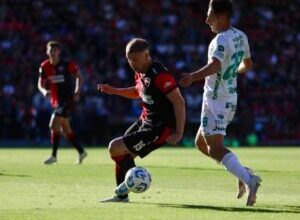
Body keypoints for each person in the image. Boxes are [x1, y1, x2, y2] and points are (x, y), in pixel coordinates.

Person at [179, 0, 261, 206]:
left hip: (216, 100)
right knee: (200, 143)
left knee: (215, 148)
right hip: (229, 98)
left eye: (210, 15)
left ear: (222, 16)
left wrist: (192, 77)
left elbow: (215, 65)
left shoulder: (220, 40)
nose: (207, 20)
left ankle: (250, 179)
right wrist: (230, 72)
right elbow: (248, 65)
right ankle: (242, 172)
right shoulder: (241, 36)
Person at [98, 38, 185, 202]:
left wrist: (179, 132)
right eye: (129, 59)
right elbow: (139, 91)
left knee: (115, 148)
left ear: (147, 55)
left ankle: (135, 182)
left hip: (158, 128)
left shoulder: (160, 75)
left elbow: (179, 101)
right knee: (121, 152)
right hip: (144, 121)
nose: (132, 63)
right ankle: (122, 195)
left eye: (135, 59)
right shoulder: (140, 71)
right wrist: (115, 91)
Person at [37, 41, 87, 165]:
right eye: (51, 50)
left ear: (59, 52)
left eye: (55, 50)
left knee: (53, 125)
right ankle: (81, 151)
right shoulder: (44, 66)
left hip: (67, 100)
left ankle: (54, 156)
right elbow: (40, 83)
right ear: (47, 51)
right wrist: (43, 91)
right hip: (55, 101)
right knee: (66, 130)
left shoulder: (67, 65)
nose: (53, 52)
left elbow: (79, 77)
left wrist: (77, 91)